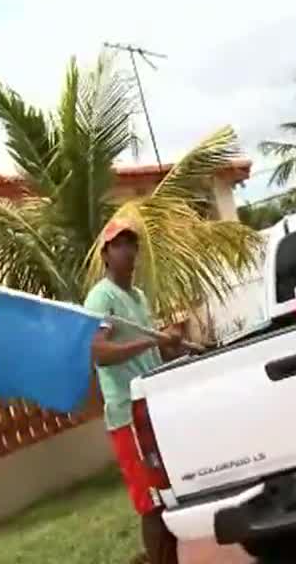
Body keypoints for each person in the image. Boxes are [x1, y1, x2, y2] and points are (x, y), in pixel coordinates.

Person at [86, 217, 186, 564]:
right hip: (126, 415)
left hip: (150, 409)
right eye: (119, 245)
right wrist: (150, 341)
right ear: (106, 255)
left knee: (167, 498)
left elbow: (152, 352)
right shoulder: (101, 298)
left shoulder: (138, 297)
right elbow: (98, 352)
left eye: (132, 244)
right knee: (151, 504)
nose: (128, 251)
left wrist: (169, 343)